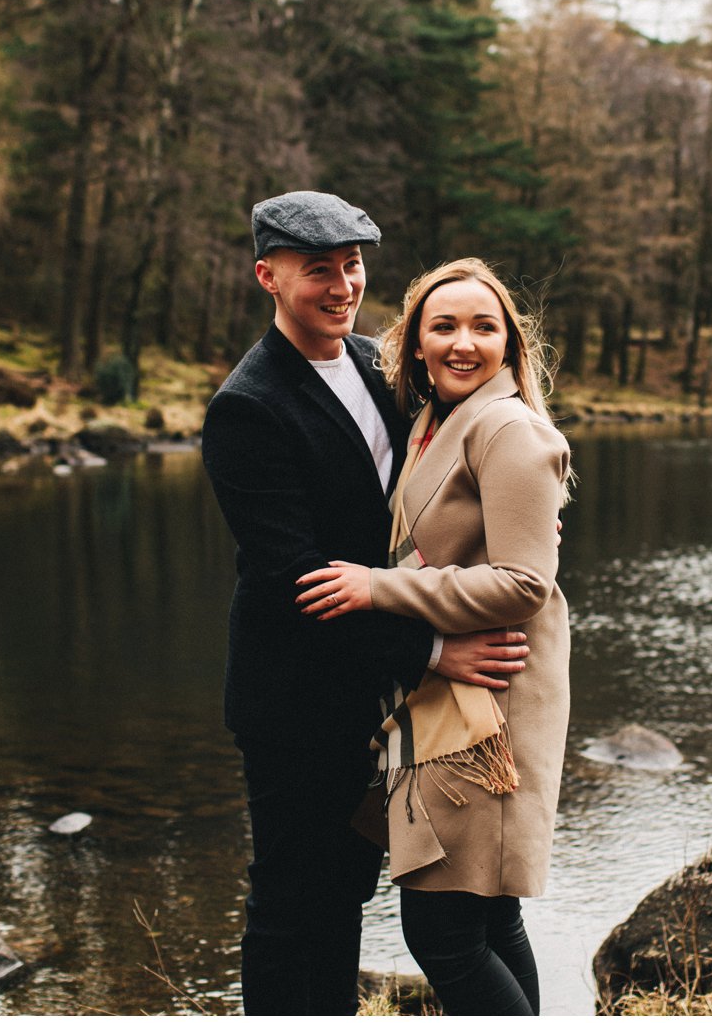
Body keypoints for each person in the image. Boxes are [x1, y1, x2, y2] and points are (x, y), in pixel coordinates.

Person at [201, 194, 533, 1016]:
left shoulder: (376, 363)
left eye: (352, 265)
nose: (342, 284)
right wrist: (431, 653)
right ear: (267, 277)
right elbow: (297, 588)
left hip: (380, 694)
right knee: (292, 903)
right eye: (319, 269)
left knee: (354, 889)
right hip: (298, 698)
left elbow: (458, 470)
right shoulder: (248, 406)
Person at [295, 257, 572, 1016]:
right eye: (442, 325)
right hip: (446, 691)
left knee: (444, 931)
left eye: (484, 326)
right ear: (414, 342)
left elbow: (525, 584)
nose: (463, 342)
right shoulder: (429, 419)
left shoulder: (509, 428)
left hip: (490, 699)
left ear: (510, 342)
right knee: (487, 914)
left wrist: (376, 586)